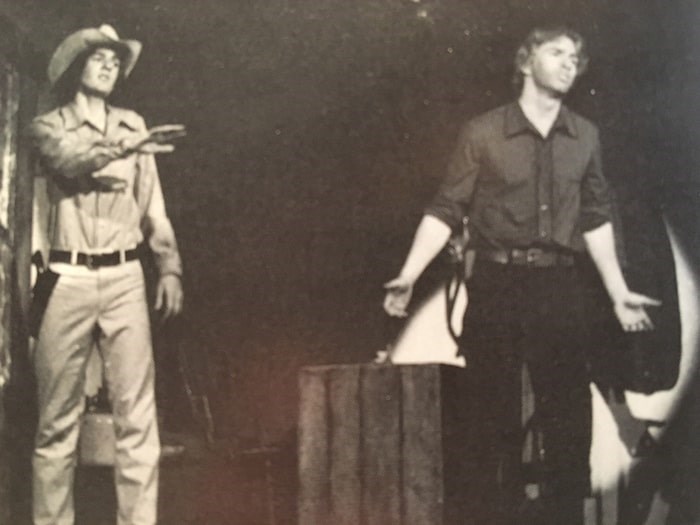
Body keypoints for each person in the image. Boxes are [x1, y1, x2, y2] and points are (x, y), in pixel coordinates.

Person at [383, 26, 660, 524]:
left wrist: (618, 294)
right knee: (489, 416)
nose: (569, 62)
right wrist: (408, 274)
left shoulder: (586, 136)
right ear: (526, 61)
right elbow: (446, 209)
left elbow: (595, 218)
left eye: (575, 56)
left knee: (568, 419)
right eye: (556, 52)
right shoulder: (483, 132)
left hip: (560, 286)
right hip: (498, 285)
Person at [28, 24, 185, 525]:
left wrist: (170, 267)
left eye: (115, 61)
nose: (108, 66)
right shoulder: (48, 125)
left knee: (137, 420)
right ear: (77, 65)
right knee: (57, 424)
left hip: (124, 278)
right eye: (98, 58)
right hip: (67, 276)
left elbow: (154, 211)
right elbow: (68, 162)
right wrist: (126, 148)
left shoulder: (132, 124)